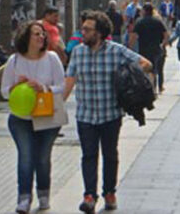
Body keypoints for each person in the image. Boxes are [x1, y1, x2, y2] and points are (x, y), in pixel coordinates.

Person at [64, 11, 152, 213]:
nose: (82, 33)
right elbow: (70, 79)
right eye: (82, 28)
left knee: (110, 155)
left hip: (110, 114)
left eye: (87, 29)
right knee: (88, 155)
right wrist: (57, 105)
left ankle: (109, 192)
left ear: (100, 32)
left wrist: (130, 77)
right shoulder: (78, 52)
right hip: (85, 115)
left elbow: (146, 63)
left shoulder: (116, 51)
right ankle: (89, 196)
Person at [0, 21, 65, 214]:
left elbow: (62, 86)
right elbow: (4, 91)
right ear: (26, 38)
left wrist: (44, 88)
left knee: (43, 158)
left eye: (42, 34)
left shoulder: (52, 58)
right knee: (26, 157)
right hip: (21, 117)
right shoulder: (15, 60)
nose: (41, 37)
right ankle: (24, 198)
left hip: (46, 116)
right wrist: (14, 87)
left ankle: (44, 193)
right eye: (36, 34)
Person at [130, 3, 168, 90]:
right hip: (156, 48)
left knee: (146, 68)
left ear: (144, 11)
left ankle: (150, 87)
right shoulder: (158, 21)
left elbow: (134, 36)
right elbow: (166, 34)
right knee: (154, 68)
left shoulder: (140, 22)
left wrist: (130, 47)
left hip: (144, 48)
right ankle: (153, 87)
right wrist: (163, 44)